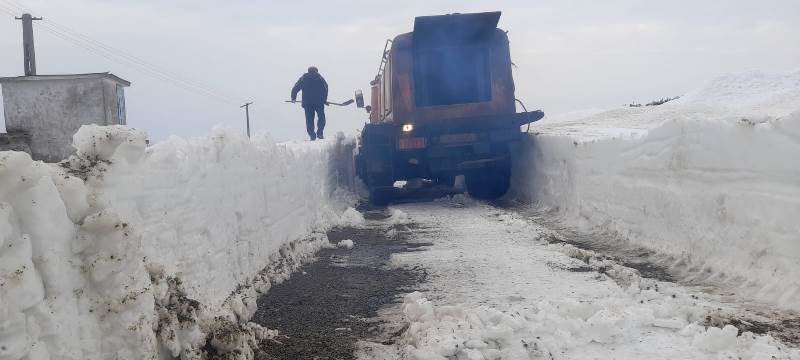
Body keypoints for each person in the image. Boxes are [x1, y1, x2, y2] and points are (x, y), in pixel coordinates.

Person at [291, 66, 329, 140]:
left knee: (309, 120)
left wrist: (293, 97)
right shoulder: (319, 77)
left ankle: (312, 135)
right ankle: (320, 133)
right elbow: (326, 88)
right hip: (319, 102)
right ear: (316, 71)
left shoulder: (304, 78)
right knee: (321, 118)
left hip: (308, 103)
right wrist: (324, 99)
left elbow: (296, 87)